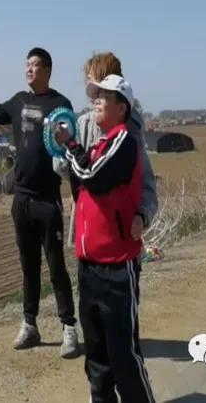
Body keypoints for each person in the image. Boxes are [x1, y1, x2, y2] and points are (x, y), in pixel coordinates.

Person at [0, 47, 80, 358]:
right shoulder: (18, 101)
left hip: (48, 199)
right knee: (28, 268)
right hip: (22, 199)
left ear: (48, 70)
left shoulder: (60, 104)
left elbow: (70, 143)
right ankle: (30, 325)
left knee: (56, 267)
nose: (29, 69)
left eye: (36, 65)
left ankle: (69, 327)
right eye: (27, 64)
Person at [57, 75, 155, 403]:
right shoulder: (101, 144)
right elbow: (79, 173)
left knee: (123, 358)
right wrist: (71, 151)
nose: (96, 101)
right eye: (94, 96)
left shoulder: (124, 140)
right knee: (97, 361)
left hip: (115, 268)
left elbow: (92, 177)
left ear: (121, 107)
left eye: (103, 97)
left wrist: (70, 145)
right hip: (89, 266)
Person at [54, 52, 158, 265]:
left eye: (95, 82)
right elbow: (65, 168)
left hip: (119, 241)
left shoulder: (129, 133)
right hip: (89, 237)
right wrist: (58, 147)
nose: (92, 95)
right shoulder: (82, 123)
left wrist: (142, 216)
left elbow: (146, 182)